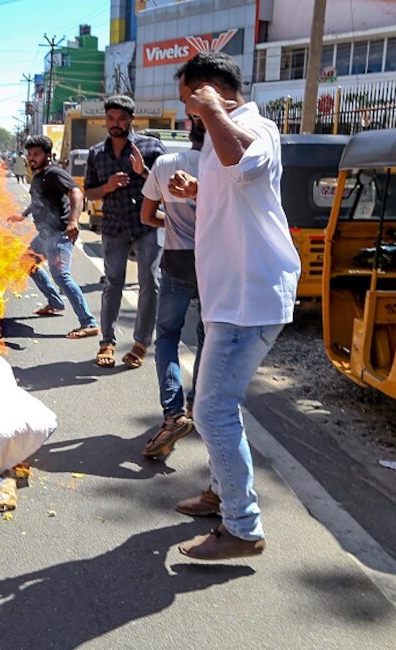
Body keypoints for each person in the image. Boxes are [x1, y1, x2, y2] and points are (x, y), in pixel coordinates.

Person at [167, 52, 301, 560]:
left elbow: (246, 164)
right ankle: (222, 494)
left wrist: (212, 111)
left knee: (212, 408)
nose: (188, 114)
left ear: (210, 91)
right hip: (230, 295)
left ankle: (243, 527)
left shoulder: (254, 127)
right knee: (213, 402)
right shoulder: (219, 135)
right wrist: (197, 189)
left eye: (190, 101)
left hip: (249, 296)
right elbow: (240, 189)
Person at [138, 119, 206, 460]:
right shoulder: (224, 168)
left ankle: (173, 413)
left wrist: (175, 219)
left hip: (177, 262)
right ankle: (197, 406)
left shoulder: (165, 165)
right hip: (215, 266)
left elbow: (148, 216)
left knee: (166, 337)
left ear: (189, 134)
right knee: (208, 336)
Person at [83, 96, 167, 369]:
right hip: (114, 226)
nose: (115, 124)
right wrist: (106, 187)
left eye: (121, 119)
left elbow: (165, 185)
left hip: (147, 224)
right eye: (110, 118)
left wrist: (143, 173)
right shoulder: (96, 153)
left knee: (150, 281)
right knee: (112, 282)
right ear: (105, 120)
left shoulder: (151, 146)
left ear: (131, 119)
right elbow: (89, 191)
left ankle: (141, 343)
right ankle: (106, 342)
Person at [8, 135, 99, 340]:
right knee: (27, 263)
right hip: (45, 235)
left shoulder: (54, 173)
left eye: (37, 154)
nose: (32, 158)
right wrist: (23, 215)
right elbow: (40, 201)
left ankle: (88, 323)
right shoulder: (40, 176)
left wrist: (73, 221)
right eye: (30, 154)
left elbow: (76, 193)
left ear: (48, 155)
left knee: (61, 277)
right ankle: (56, 302)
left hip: (59, 235)